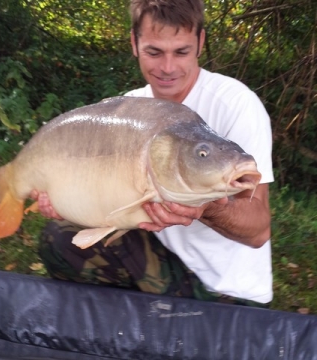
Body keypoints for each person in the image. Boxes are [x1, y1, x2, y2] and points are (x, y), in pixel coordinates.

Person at [33, 0, 274, 307]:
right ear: (134, 43)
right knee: (59, 239)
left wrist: (206, 207)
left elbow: (258, 231)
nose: (168, 68)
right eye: (154, 52)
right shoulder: (127, 108)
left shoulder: (237, 104)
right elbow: (102, 195)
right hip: (157, 260)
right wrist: (64, 201)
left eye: (181, 51)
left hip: (225, 292)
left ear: (200, 42)